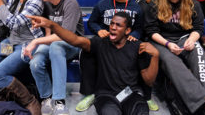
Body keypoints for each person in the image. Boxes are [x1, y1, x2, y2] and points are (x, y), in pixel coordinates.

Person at [27, 11, 159, 115]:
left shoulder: (137, 46)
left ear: (128, 30)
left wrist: (155, 56)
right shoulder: (100, 42)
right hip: (106, 96)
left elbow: (149, 81)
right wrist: (52, 25)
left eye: (118, 25)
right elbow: (74, 40)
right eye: (112, 23)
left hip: (131, 94)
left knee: (141, 111)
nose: (113, 27)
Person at [75, 0, 143, 112]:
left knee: (144, 52)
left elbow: (140, 28)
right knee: (87, 51)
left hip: (126, 42)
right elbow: (92, 22)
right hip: (105, 42)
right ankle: (91, 93)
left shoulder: (135, 7)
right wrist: (99, 30)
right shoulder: (102, 4)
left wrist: (134, 35)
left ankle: (143, 94)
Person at [23, 0, 84, 115]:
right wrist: (45, 37)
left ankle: (59, 101)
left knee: (56, 47)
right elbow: (47, 24)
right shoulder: (46, 3)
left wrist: (37, 41)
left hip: (73, 43)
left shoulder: (70, 2)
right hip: (54, 42)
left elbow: (66, 36)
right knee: (35, 62)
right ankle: (47, 97)